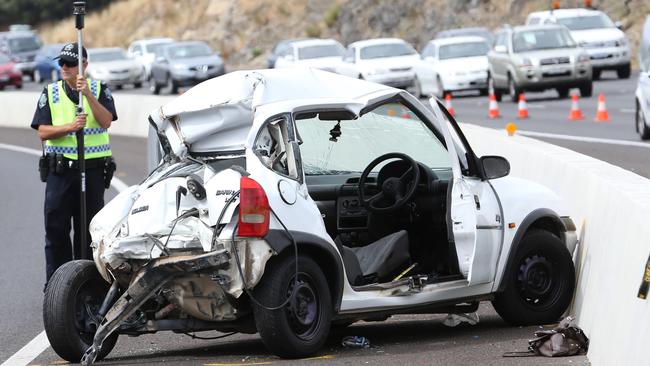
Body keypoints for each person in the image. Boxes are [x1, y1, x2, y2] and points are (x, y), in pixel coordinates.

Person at [30, 42, 117, 285]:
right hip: (60, 172)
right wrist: (70, 127)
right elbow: (43, 131)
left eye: (71, 64)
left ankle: (89, 283)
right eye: (62, 64)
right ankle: (58, 284)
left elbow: (106, 121)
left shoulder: (99, 90)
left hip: (92, 172)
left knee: (89, 232)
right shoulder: (51, 92)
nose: (65, 68)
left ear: (84, 66)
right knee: (56, 230)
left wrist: (88, 94)